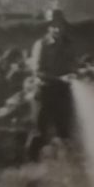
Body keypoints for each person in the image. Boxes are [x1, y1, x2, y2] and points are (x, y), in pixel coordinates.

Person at [25, 10, 76, 162]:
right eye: (54, 26)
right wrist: (59, 78)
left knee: (64, 132)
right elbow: (38, 71)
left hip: (63, 92)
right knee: (40, 132)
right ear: (49, 27)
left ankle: (64, 166)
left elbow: (72, 65)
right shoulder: (42, 45)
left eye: (60, 25)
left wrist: (74, 73)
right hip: (45, 91)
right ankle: (31, 166)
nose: (58, 29)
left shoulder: (69, 45)